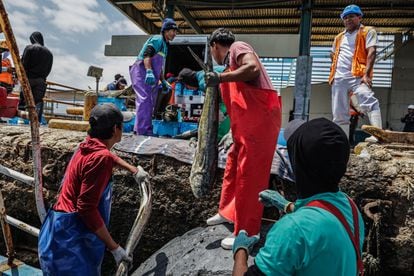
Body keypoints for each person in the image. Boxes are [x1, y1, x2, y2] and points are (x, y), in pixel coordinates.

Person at [232, 118, 365, 275]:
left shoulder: (293, 229)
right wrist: (285, 205)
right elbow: (322, 218)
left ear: (298, 165)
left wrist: (240, 252)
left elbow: (305, 229)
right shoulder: (351, 207)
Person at [38, 104, 150, 275]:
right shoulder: (101, 159)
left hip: (56, 231)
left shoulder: (87, 145)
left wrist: (133, 170)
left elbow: (109, 155)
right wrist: (115, 249)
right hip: (71, 243)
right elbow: (86, 208)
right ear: (115, 129)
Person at [204, 28, 281, 249]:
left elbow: (253, 68)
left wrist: (219, 77)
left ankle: (248, 232)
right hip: (245, 126)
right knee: (232, 163)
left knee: (250, 174)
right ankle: (228, 212)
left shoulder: (238, 48)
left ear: (215, 46)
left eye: (212, 51)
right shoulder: (229, 66)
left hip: (261, 121)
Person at [329, 4, 382, 142]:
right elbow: (333, 54)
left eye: (351, 16)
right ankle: (342, 142)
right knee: (339, 113)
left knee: (368, 99)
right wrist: (335, 72)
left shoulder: (368, 31)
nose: (348, 20)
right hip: (339, 78)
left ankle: (378, 135)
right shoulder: (339, 37)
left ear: (359, 17)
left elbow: (372, 52)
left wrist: (366, 74)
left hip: (358, 75)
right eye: (345, 18)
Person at [129, 18, 178, 135]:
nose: (175, 34)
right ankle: (143, 131)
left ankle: (142, 128)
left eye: (176, 31)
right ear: (165, 30)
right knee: (144, 100)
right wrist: (149, 71)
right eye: (173, 30)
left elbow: (159, 65)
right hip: (142, 71)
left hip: (153, 75)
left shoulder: (165, 46)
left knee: (151, 101)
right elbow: (147, 55)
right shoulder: (157, 39)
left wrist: (163, 80)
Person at [19, 31, 53, 122]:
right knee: (38, 101)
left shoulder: (30, 48)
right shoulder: (49, 53)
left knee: (24, 98)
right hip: (41, 81)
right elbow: (49, 69)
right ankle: (36, 121)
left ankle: (21, 120)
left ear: (33, 39)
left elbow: (23, 64)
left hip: (28, 79)